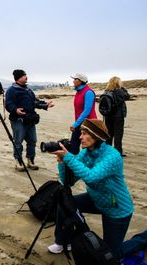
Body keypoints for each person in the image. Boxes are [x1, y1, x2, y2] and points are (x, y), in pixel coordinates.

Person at [47, 118, 133, 259]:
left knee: (111, 256)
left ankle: (142, 239)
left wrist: (68, 157)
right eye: (81, 133)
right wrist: (62, 163)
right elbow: (68, 182)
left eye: (85, 133)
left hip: (117, 208)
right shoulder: (85, 153)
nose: (80, 137)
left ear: (96, 136)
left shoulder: (112, 156)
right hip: (97, 198)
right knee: (65, 205)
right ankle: (63, 242)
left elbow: (91, 176)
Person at [5, 69, 54, 171]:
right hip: (18, 120)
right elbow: (8, 104)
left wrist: (45, 105)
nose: (26, 77)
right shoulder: (11, 90)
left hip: (30, 119)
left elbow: (35, 102)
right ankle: (18, 162)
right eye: (24, 75)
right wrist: (15, 110)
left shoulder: (28, 90)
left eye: (26, 75)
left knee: (32, 140)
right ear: (18, 78)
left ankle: (30, 160)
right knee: (18, 142)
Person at [69, 73, 97, 155]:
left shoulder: (88, 92)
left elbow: (87, 111)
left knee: (88, 147)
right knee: (73, 146)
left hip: (89, 123)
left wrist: (75, 124)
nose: (73, 81)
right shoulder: (78, 92)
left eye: (75, 79)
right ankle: (73, 165)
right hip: (79, 122)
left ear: (80, 81)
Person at [103, 76, 130, 157]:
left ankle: (107, 152)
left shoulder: (106, 91)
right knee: (118, 134)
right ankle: (118, 152)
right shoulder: (119, 91)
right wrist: (123, 88)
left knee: (109, 134)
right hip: (118, 116)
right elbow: (127, 96)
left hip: (108, 115)